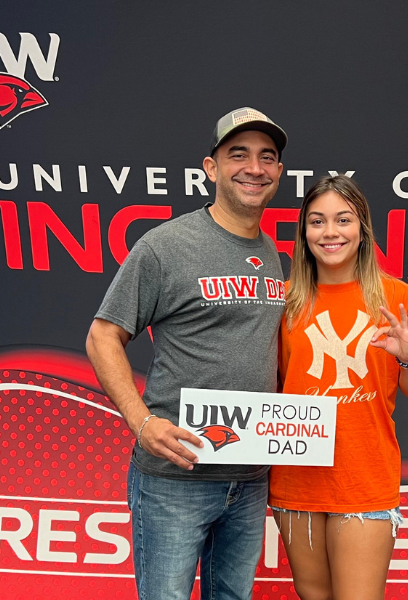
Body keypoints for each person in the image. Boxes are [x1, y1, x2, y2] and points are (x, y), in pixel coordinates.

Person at [86, 107, 287, 600]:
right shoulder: (165, 246)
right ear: (211, 168)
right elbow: (102, 336)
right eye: (238, 155)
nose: (254, 168)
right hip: (178, 476)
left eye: (267, 157)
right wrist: (141, 422)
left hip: (249, 476)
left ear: (279, 172)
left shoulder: (274, 254)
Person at [268, 175, 408, 600]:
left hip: (364, 476)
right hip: (297, 478)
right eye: (317, 221)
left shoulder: (397, 299)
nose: (330, 232)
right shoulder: (284, 302)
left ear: (363, 228)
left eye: (343, 220)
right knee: (313, 594)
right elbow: (269, 386)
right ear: (303, 232)